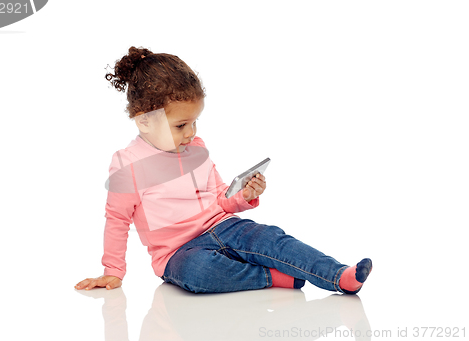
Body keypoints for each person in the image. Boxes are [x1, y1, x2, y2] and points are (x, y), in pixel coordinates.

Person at [74, 46, 372, 294]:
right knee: (198, 273)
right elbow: (117, 220)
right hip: (178, 253)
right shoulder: (127, 164)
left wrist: (242, 196)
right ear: (144, 121)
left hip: (224, 226)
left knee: (271, 239)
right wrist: (113, 271)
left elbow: (220, 199)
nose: (191, 132)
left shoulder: (197, 148)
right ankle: (272, 278)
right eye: (181, 125)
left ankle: (339, 275)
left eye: (194, 122)